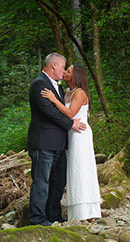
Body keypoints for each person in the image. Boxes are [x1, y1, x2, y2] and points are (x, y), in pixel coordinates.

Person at [27, 53, 86, 226]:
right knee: (41, 181)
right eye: (63, 66)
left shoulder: (58, 88)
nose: (64, 71)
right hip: (43, 142)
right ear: (53, 66)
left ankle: (53, 214)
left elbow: (60, 109)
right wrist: (70, 124)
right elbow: (49, 112)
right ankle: (37, 218)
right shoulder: (39, 84)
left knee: (58, 181)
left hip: (59, 144)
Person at [41, 64, 102, 221]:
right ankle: (76, 211)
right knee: (73, 169)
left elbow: (69, 112)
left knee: (81, 168)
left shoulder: (80, 93)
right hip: (70, 134)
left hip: (80, 134)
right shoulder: (67, 92)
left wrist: (54, 100)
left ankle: (88, 210)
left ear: (76, 76)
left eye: (68, 71)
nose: (65, 72)